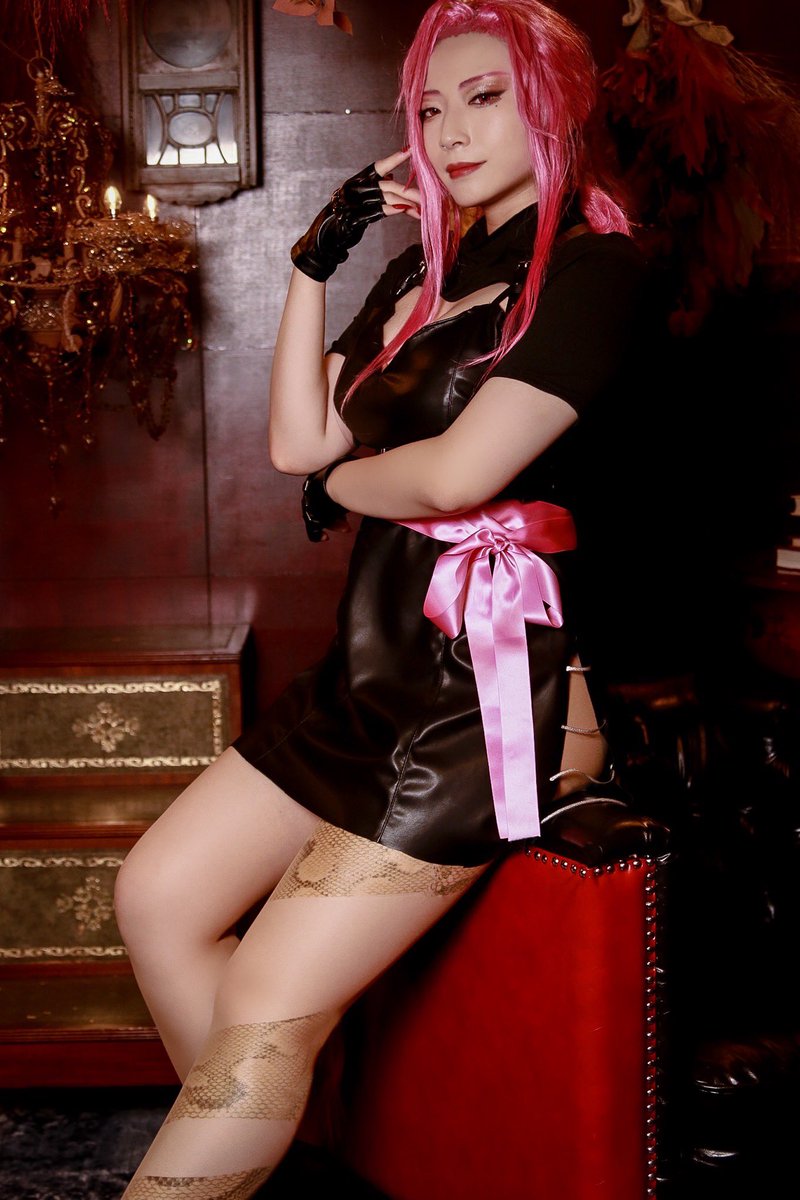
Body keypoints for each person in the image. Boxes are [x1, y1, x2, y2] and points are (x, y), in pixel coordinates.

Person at [116, 1, 648, 1195]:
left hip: (485, 703)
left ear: (553, 102)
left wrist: (350, 485)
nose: (448, 132)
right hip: (366, 677)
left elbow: (457, 475)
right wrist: (313, 265)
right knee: (155, 896)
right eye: (428, 108)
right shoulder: (423, 270)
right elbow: (297, 442)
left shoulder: (595, 269)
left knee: (264, 1008)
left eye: (483, 98)